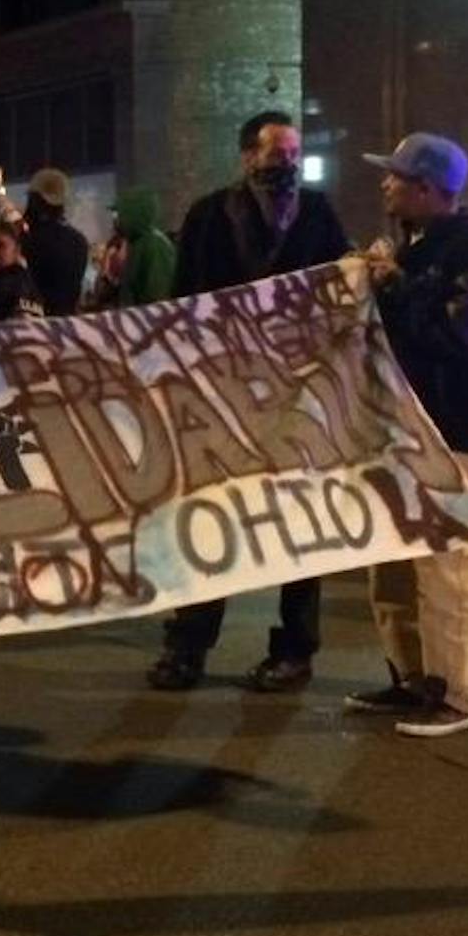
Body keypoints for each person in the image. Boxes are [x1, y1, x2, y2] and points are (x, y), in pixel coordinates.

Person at [143, 109, 355, 694]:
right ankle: (188, 646)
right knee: (210, 524)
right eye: (275, 153)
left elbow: (339, 290)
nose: (286, 163)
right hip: (224, 396)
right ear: (247, 157)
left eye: (292, 153)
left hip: (297, 397)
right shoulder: (209, 216)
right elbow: (181, 307)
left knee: (300, 527)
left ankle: (294, 651)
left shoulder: (317, 215)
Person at [347, 134, 468, 738]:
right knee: (395, 558)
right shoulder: (421, 246)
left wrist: (396, 286)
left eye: (394, 177)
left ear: (426, 189)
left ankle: (454, 692)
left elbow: (466, 341)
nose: (384, 185)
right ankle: (410, 676)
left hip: (453, 429)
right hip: (407, 426)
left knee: (447, 561)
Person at [93, 186, 177, 309]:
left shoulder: (153, 244)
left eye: (118, 214)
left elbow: (156, 295)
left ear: (134, 214)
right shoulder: (135, 243)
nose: (114, 221)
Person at [21, 168, 90, 316]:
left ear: (35, 202)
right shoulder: (79, 241)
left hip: (37, 324)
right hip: (67, 323)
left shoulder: (28, 241)